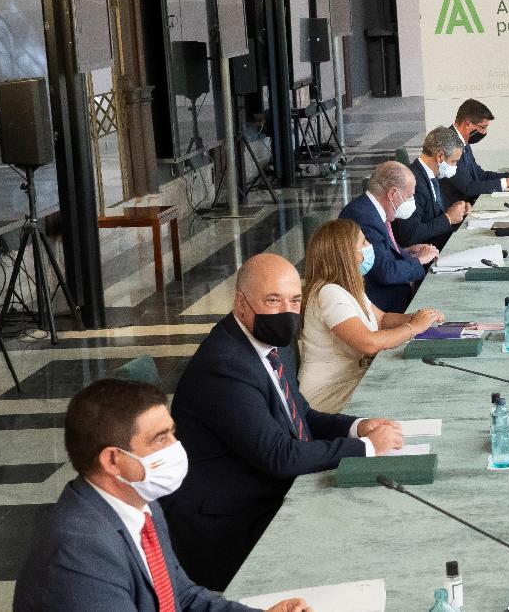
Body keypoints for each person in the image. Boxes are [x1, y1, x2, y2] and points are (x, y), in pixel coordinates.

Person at [160, 253, 406, 591]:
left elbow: (301, 414)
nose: (287, 312)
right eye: (273, 300)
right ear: (241, 304)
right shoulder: (224, 366)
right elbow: (279, 456)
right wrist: (364, 448)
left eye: (294, 300)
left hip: (267, 491)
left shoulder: (271, 344)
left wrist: (357, 427)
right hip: (230, 523)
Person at [14, 379, 309, 612]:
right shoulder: (81, 551)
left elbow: (183, 596)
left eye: (172, 433)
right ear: (113, 460)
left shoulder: (142, 505)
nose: (176, 447)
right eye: (160, 439)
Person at [299, 219, 444, 412]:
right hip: (330, 393)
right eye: (364, 242)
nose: (370, 246)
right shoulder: (329, 293)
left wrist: (418, 318)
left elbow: (381, 319)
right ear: (347, 254)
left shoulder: (346, 286)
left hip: (353, 379)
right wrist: (414, 327)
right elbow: (369, 343)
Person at [339, 162, 437, 314]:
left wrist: (407, 251)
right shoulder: (363, 217)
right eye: (409, 196)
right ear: (392, 194)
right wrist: (420, 260)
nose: (412, 200)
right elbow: (385, 272)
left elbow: (380, 253)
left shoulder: (371, 210)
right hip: (384, 306)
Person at [439, 98, 509, 205]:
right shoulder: (449, 143)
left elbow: (480, 176)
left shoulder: (462, 141)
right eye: (483, 127)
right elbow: (468, 187)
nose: (484, 132)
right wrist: (507, 183)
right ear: (468, 123)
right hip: (456, 211)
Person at [393, 126, 471, 250]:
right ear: (440, 156)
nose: (455, 166)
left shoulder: (430, 174)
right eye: (453, 161)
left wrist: (455, 212)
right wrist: (448, 218)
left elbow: (430, 216)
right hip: (424, 252)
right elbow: (410, 235)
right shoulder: (413, 182)